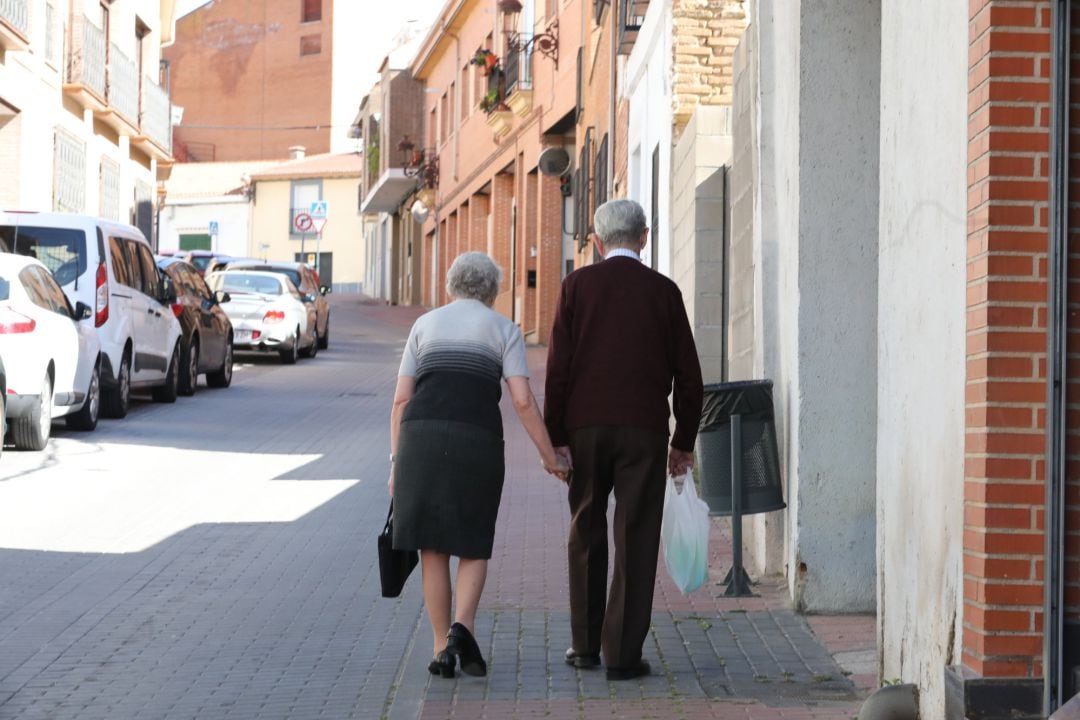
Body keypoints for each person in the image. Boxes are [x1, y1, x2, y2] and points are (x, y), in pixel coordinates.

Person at [389, 251, 570, 680]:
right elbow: (523, 400)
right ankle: (462, 629)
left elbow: (400, 400)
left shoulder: (424, 325)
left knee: (432, 546)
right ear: (492, 290)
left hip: (420, 439)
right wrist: (550, 457)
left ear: (451, 284)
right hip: (477, 439)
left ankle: (439, 647)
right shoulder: (504, 329)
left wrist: (396, 462)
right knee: (472, 540)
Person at [544, 199, 704, 681]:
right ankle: (622, 654)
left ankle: (585, 645)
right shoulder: (664, 292)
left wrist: (556, 438)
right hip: (644, 431)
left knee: (586, 530)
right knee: (635, 537)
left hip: (585, 429)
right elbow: (689, 377)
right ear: (645, 237)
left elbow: (558, 371)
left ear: (596, 241)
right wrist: (683, 440)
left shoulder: (576, 287)